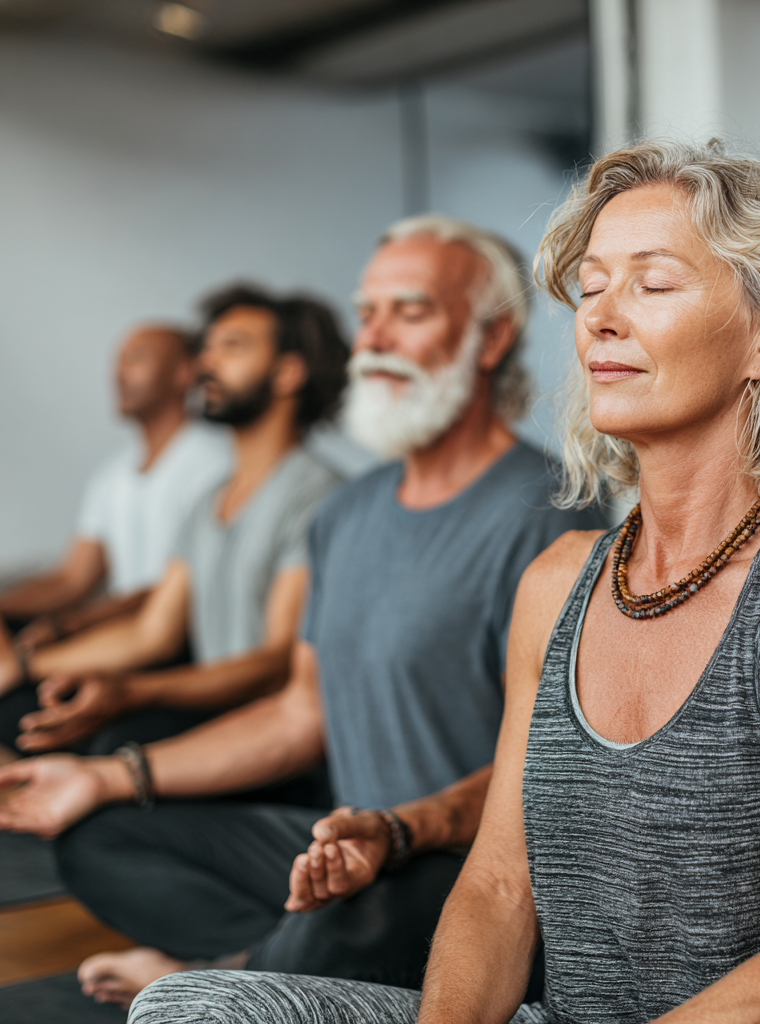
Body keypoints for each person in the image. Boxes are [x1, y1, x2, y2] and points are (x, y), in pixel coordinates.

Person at [125, 141, 760, 1024]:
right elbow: (501, 886)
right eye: (590, 289)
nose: (601, 320)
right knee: (187, 1006)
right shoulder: (558, 583)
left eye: (652, 286)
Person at [0, 215, 604, 1008]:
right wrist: (106, 777)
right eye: (367, 312)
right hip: (344, 838)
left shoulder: (552, 514)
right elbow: (298, 715)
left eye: (410, 311)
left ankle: (237, 971)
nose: (374, 337)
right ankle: (272, 961)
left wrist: (401, 832)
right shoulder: (346, 515)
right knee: (98, 831)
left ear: (489, 341)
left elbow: (552, 764)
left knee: (347, 917)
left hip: (464, 860)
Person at [0, 285, 345, 756]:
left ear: (288, 372)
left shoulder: (318, 495)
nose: (206, 363)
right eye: (207, 348)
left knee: (103, 743)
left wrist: (133, 692)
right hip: (210, 705)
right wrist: (25, 663)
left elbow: (275, 662)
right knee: (25, 708)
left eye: (233, 347)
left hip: (271, 735)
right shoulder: (207, 502)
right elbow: (152, 632)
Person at [0, 325, 231, 692]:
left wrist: (70, 626)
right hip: (118, 635)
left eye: (136, 359)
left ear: (184, 373)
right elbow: (72, 579)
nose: (117, 373)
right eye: (117, 362)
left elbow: (178, 594)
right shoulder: (113, 474)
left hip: (174, 646)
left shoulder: (215, 463)